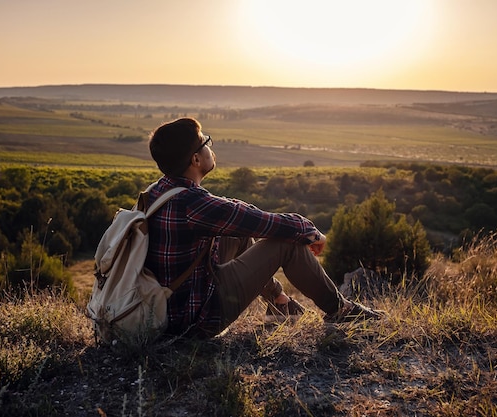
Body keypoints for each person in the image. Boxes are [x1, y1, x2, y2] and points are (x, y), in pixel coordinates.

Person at [145, 117, 382, 338]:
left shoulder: (156, 192)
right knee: (286, 243)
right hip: (195, 318)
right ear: (195, 160)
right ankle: (341, 310)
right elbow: (264, 223)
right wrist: (312, 232)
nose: (211, 147)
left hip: (169, 304)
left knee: (237, 235)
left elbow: (238, 215)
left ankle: (279, 303)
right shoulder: (193, 204)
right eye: (206, 142)